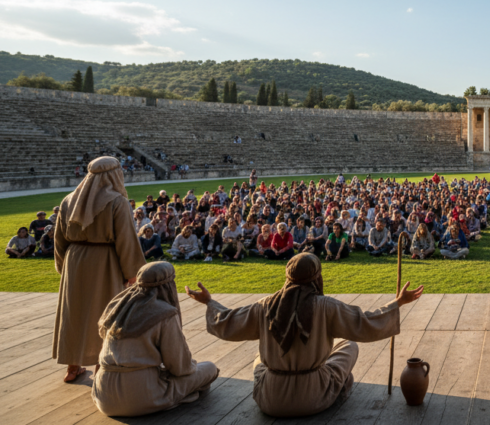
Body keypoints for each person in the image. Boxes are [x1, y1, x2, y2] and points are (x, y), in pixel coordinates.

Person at [187, 254, 424, 417]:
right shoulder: (325, 306)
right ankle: (338, 386)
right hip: (315, 396)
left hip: (271, 400)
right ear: (317, 276)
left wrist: (209, 301)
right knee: (349, 346)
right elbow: (365, 321)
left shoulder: (265, 305)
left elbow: (228, 321)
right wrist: (398, 303)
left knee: (260, 361)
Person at [53, 156, 146, 383]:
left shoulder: (68, 201)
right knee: (104, 312)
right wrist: (133, 274)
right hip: (105, 263)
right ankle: (99, 366)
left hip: (75, 262)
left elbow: (59, 240)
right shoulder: (117, 202)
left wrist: (63, 267)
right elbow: (126, 241)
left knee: (74, 314)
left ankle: (72, 367)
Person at [92, 262, 219, 416]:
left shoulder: (116, 305)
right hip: (141, 397)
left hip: (103, 397)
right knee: (210, 368)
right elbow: (180, 368)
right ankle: (173, 396)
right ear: (168, 284)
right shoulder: (165, 313)